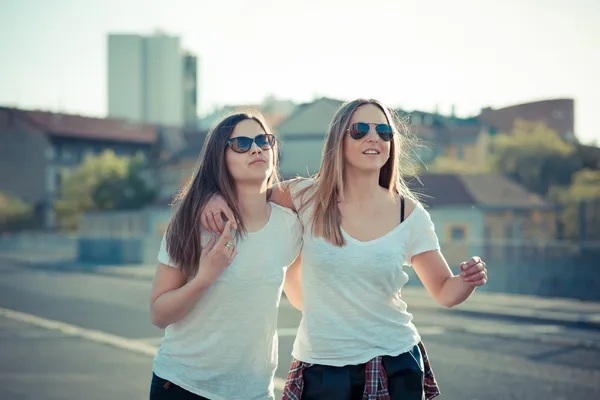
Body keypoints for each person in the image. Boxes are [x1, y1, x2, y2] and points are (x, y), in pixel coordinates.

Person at [200, 98, 488, 400]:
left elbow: (444, 290)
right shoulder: (307, 195)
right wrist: (213, 195)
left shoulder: (410, 214)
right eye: (360, 130)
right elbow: (249, 194)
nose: (373, 137)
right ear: (338, 140)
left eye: (383, 132)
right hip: (322, 367)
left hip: (394, 364)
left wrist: (467, 280)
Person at [149, 112, 303, 400]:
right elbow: (159, 314)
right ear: (220, 158)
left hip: (255, 393)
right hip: (184, 386)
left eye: (263, 141)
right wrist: (203, 279)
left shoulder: (291, 226)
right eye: (241, 143)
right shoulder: (192, 222)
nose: (256, 149)